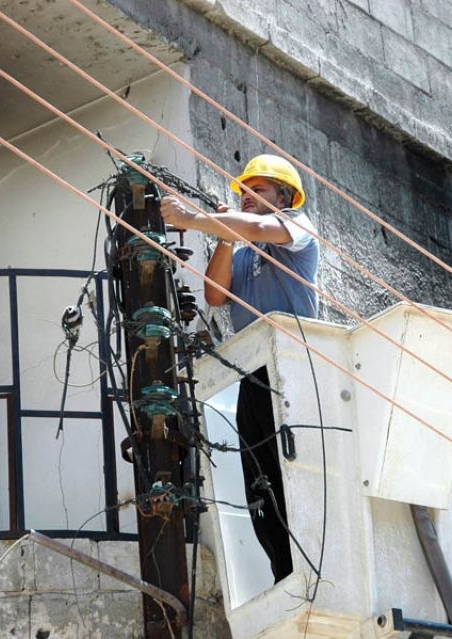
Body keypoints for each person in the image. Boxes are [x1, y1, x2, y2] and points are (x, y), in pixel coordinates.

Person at [160, 154, 320, 582]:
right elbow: (215, 295)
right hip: (254, 371)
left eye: (259, 190)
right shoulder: (244, 246)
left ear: (284, 198)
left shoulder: (297, 227)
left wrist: (196, 219)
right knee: (261, 478)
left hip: (294, 367)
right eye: (244, 192)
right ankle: (283, 571)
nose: (247, 198)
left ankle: (310, 565)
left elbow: (256, 227)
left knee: (296, 470)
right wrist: (225, 238)